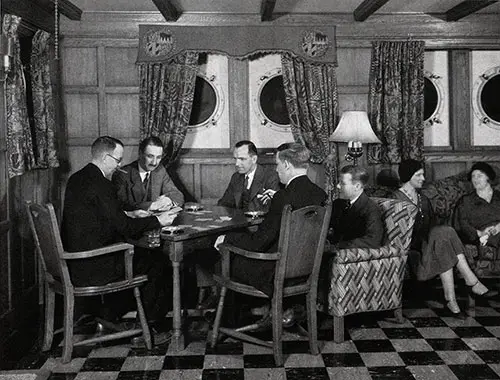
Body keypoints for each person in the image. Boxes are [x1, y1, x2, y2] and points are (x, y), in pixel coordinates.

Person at [61, 136, 177, 345]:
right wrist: (157, 220)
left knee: (145, 257)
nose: (119, 165)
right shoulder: (101, 185)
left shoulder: (77, 178)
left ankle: (113, 316)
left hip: (72, 263)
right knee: (157, 262)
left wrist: (130, 216)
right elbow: (125, 228)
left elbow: (100, 218)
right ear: (106, 158)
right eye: (117, 160)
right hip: (93, 266)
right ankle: (148, 330)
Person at [216, 142, 327, 297]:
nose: (276, 169)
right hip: (307, 270)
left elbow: (259, 242)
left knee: (223, 262)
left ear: (287, 165)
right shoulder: (321, 194)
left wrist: (227, 238)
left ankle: (231, 320)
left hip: (275, 272)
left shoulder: (283, 197)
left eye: (278, 164)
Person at [393, 159, 496, 318]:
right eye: (419, 175)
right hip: (411, 246)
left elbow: (432, 226)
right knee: (443, 232)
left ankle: (451, 300)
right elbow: (396, 232)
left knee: (443, 239)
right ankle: (471, 281)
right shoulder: (396, 198)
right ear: (408, 176)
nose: (423, 179)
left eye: (423, 175)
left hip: (430, 242)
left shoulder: (423, 199)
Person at [112, 136, 184, 212]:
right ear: (140, 153)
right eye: (150, 156)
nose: (154, 162)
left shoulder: (160, 170)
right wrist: (151, 205)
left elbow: (177, 195)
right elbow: (120, 204)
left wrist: (169, 200)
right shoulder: (122, 174)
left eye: (158, 157)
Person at [328, 165, 384, 249]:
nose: (338, 186)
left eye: (342, 183)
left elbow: (372, 240)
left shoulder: (370, 209)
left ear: (357, 186)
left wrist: (336, 246)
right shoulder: (338, 204)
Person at [218, 140, 281, 212]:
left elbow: (272, 209)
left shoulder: (270, 177)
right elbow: (225, 203)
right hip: (238, 221)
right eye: (235, 159)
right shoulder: (236, 177)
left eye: (242, 159)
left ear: (254, 159)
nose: (237, 164)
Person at [454, 162, 500, 252]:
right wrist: (480, 233)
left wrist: (498, 227)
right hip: (482, 237)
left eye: (479, 176)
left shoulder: (498, 196)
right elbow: (462, 225)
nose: (475, 179)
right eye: (473, 176)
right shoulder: (465, 201)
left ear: (488, 177)